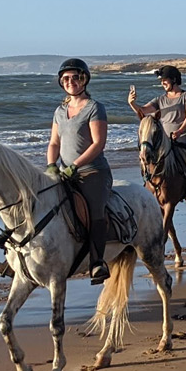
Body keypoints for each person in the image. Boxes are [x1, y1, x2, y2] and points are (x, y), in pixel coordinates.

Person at [48, 58, 112, 285]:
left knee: (95, 211)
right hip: (64, 172)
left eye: (76, 77)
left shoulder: (95, 108)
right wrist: (51, 165)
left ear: (84, 79)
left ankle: (97, 263)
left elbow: (98, 144)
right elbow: (54, 143)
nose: (71, 82)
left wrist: (75, 165)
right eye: (66, 78)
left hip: (92, 172)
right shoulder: (60, 111)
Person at [128, 65, 186, 192]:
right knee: (147, 156)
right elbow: (143, 112)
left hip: (185, 135)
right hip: (165, 139)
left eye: (165, 80)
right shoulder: (160, 99)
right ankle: (148, 181)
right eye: (161, 81)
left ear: (174, 79)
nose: (162, 83)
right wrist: (132, 103)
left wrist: (180, 131)